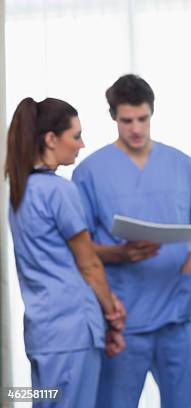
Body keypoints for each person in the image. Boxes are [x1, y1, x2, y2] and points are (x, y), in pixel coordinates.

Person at [72, 75, 191, 408]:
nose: (136, 128)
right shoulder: (90, 172)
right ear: (113, 118)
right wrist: (119, 254)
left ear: (152, 113)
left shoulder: (182, 165)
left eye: (142, 119)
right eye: (126, 121)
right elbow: (79, 248)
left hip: (176, 317)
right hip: (124, 320)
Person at [5, 97, 126, 407]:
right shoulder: (59, 191)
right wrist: (112, 314)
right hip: (73, 331)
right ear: (50, 139)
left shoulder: (19, 194)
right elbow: (88, 265)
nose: (81, 144)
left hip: (42, 333)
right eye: (75, 136)